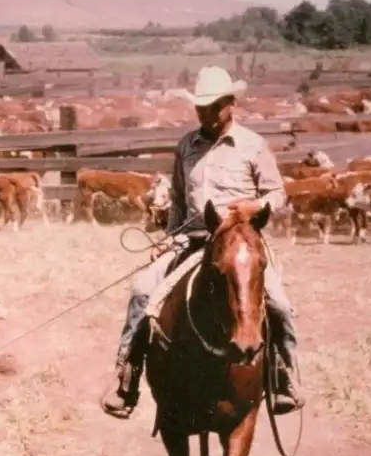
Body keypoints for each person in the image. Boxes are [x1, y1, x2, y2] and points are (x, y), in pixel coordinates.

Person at [101, 65, 304, 418]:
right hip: (193, 243)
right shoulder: (186, 146)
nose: (206, 114)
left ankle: (284, 377)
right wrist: (170, 239)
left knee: (279, 306)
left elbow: (278, 194)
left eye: (214, 107)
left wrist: (254, 206)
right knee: (142, 292)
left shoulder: (253, 145)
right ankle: (126, 377)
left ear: (231, 104)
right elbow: (180, 199)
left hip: (242, 246)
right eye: (201, 108)